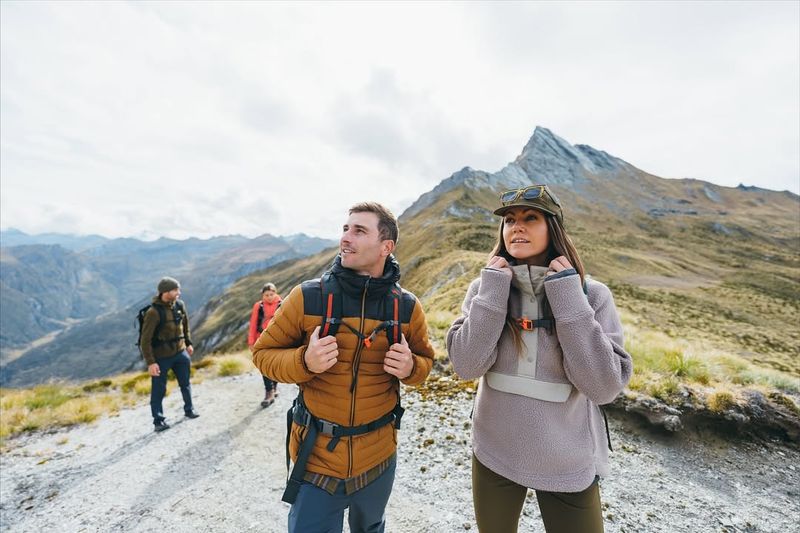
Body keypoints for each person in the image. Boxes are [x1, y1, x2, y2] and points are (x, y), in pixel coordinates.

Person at [446, 184, 633, 533]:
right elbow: (466, 366)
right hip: (493, 450)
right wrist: (493, 291)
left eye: (530, 218)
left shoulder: (592, 294)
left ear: (553, 228)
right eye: (509, 220)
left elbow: (604, 388)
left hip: (567, 461)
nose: (516, 226)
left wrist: (568, 296)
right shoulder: (484, 287)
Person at [252, 202, 435, 533]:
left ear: (386, 247)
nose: (345, 238)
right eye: (345, 229)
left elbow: (425, 364)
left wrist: (411, 367)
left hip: (378, 459)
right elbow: (263, 354)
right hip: (316, 460)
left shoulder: (407, 307)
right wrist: (304, 361)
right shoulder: (307, 297)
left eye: (359, 231)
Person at [140, 276, 199, 432]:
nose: (179, 293)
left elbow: (185, 326)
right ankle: (158, 421)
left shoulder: (180, 305)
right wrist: (151, 362)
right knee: (159, 389)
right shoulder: (153, 312)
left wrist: (188, 343)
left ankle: (189, 409)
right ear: (165, 292)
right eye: (175, 290)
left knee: (185, 383)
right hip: (161, 358)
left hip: (180, 353)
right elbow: (145, 340)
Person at [248, 282, 283, 408]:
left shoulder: (282, 304)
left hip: (278, 340)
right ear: (262, 295)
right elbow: (253, 324)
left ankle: (274, 387)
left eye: (271, 294)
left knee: (275, 365)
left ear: (275, 293)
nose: (269, 297)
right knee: (264, 365)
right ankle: (269, 392)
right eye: (266, 295)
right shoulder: (259, 306)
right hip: (262, 340)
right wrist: (251, 342)